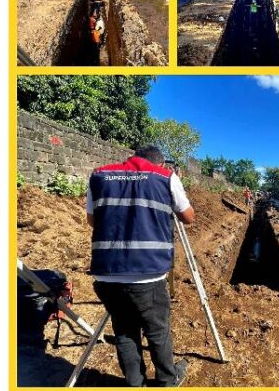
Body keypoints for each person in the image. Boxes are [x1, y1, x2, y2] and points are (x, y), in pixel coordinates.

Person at [86, 146, 194, 387]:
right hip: (147, 274)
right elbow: (188, 217)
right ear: (161, 164)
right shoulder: (166, 177)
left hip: (108, 275)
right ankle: (167, 379)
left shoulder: (98, 175)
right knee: (157, 331)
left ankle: (136, 383)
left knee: (125, 332)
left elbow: (92, 220)